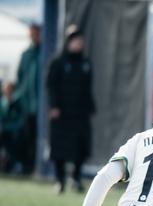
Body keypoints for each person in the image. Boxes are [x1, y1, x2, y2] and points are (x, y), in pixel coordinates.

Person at [46, 25, 95, 193]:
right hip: (62, 113)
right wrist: (54, 106)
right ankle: (59, 180)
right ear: (68, 42)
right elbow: (51, 86)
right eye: (75, 40)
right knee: (59, 147)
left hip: (80, 114)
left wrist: (90, 107)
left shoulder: (85, 63)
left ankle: (76, 178)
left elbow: (88, 88)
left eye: (80, 40)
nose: (78, 43)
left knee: (81, 146)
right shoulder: (58, 62)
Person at [13, 23, 40, 175]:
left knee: (36, 137)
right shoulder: (26, 54)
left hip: (39, 106)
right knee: (25, 136)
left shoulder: (44, 52)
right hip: (26, 105)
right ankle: (26, 166)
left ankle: (35, 166)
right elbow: (20, 78)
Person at [0, 82, 24, 173]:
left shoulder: (17, 102)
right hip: (3, 132)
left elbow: (18, 121)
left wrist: (5, 128)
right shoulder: (2, 102)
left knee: (11, 147)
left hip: (12, 133)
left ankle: (14, 165)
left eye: (9, 89)